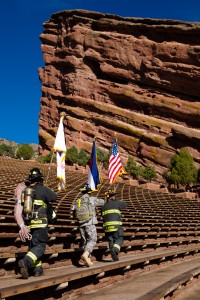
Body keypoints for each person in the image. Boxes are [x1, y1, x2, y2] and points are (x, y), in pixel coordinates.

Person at [14, 167, 57, 279]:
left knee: (34, 246)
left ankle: (38, 270)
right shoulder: (42, 189)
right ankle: (26, 261)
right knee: (40, 247)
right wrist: (45, 190)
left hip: (31, 224)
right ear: (40, 179)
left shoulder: (26, 191)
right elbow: (54, 197)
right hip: (41, 224)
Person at [72, 184, 104, 267]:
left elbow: (73, 213)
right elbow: (103, 202)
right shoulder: (92, 199)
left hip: (81, 224)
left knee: (85, 241)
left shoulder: (77, 201)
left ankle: (88, 260)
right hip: (90, 223)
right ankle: (86, 255)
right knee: (92, 240)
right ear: (89, 191)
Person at [102, 189, 127, 261]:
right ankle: (115, 250)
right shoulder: (117, 203)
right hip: (116, 226)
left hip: (107, 227)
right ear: (113, 196)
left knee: (111, 241)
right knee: (120, 239)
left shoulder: (104, 205)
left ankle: (114, 256)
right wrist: (120, 201)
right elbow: (125, 204)